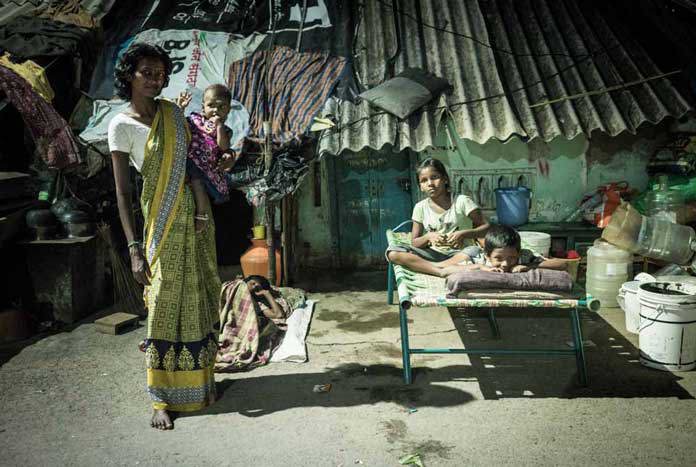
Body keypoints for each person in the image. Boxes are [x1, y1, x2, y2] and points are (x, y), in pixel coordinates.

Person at [107, 43, 221, 431]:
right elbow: (123, 193)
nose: (156, 81)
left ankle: (200, 385)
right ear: (130, 75)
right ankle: (160, 397)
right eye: (147, 73)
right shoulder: (120, 125)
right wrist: (134, 249)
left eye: (160, 74)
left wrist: (203, 210)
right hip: (158, 222)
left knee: (197, 295)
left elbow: (193, 168)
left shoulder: (173, 115)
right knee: (161, 303)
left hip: (193, 219)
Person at [386, 158, 490, 277]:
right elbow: (414, 243)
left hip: (461, 253)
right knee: (393, 252)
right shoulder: (420, 207)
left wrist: (463, 234)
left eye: (434, 177)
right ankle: (440, 270)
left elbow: (487, 227)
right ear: (420, 186)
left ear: (445, 179)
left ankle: (432, 266)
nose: (430, 183)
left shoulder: (462, 201)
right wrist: (428, 237)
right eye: (424, 180)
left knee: (475, 251)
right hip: (433, 254)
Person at [215, 275, 294, 372]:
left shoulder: (256, 303)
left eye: (257, 288)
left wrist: (267, 294)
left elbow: (278, 314)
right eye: (252, 283)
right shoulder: (235, 286)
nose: (253, 287)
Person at [176, 85, 238, 204]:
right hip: (190, 162)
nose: (215, 110)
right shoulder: (194, 119)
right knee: (195, 178)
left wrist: (219, 126)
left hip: (208, 169)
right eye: (211, 105)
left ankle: (203, 212)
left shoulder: (226, 131)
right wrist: (181, 108)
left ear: (228, 110)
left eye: (221, 106)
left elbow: (224, 147)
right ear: (203, 107)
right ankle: (201, 212)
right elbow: (179, 127)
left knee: (201, 185)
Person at [442, 224, 568, 275]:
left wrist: (528, 267)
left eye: (512, 258)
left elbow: (563, 264)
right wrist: (479, 268)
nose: (505, 264)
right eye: (498, 258)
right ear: (487, 256)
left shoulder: (524, 256)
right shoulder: (479, 259)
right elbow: (445, 270)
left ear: (519, 253)